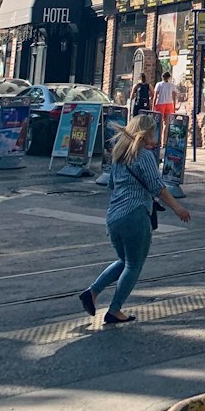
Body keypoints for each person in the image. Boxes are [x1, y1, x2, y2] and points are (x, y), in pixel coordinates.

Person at [79, 113, 190, 326]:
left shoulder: (119, 155)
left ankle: (92, 292)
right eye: (154, 131)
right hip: (135, 215)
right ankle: (115, 310)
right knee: (134, 265)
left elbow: (112, 185)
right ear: (147, 133)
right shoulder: (144, 156)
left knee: (125, 261)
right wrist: (177, 207)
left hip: (114, 217)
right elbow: (157, 187)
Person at [153, 71, 175, 148]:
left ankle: (158, 141)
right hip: (169, 104)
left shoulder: (158, 84)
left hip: (160, 104)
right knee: (166, 123)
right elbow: (174, 96)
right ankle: (164, 142)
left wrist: (153, 107)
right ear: (168, 78)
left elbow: (155, 96)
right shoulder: (171, 85)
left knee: (159, 124)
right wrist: (174, 106)